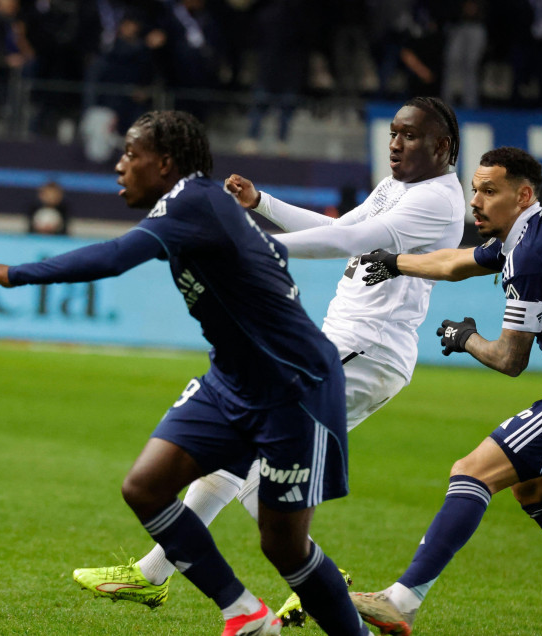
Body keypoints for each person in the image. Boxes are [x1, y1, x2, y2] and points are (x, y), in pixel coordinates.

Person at [0, 110, 369, 636]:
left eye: (132, 154)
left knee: (283, 546)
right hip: (231, 381)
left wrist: (15, 273)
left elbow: (114, 256)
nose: (120, 166)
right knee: (145, 487)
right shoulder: (196, 206)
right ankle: (244, 613)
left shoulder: (192, 199)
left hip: (294, 387)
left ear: (165, 163)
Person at [73, 96, 465, 627]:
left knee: (260, 467)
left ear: (442, 147)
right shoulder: (399, 185)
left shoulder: (438, 198)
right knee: (237, 448)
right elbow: (340, 224)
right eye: (393, 132)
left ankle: (319, 585)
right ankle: (156, 572)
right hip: (342, 342)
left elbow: (346, 240)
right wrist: (263, 203)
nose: (395, 143)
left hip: (368, 350)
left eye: (410, 136)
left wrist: (256, 243)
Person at [349, 146, 542, 636]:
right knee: (534, 489)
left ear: (522, 195)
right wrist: (396, 262)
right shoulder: (537, 233)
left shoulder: (531, 254)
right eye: (474, 189)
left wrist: (464, 338)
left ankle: (402, 600)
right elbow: (457, 263)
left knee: (471, 471)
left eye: (489, 191)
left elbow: (509, 359)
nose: (475, 201)